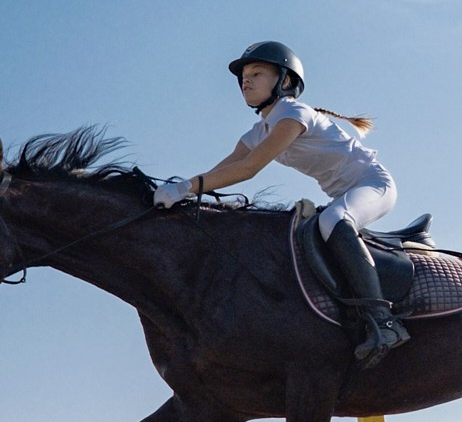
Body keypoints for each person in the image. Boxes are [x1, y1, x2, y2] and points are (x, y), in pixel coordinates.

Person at [154, 41, 409, 366]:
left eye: (257, 73)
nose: (246, 81)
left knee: (331, 221)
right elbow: (221, 171)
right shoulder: (257, 131)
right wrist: (178, 191)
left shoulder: (294, 113)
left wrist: (186, 189)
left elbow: (248, 169)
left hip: (374, 184)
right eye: (244, 76)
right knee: (319, 226)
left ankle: (385, 321)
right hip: (341, 194)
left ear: (285, 81)